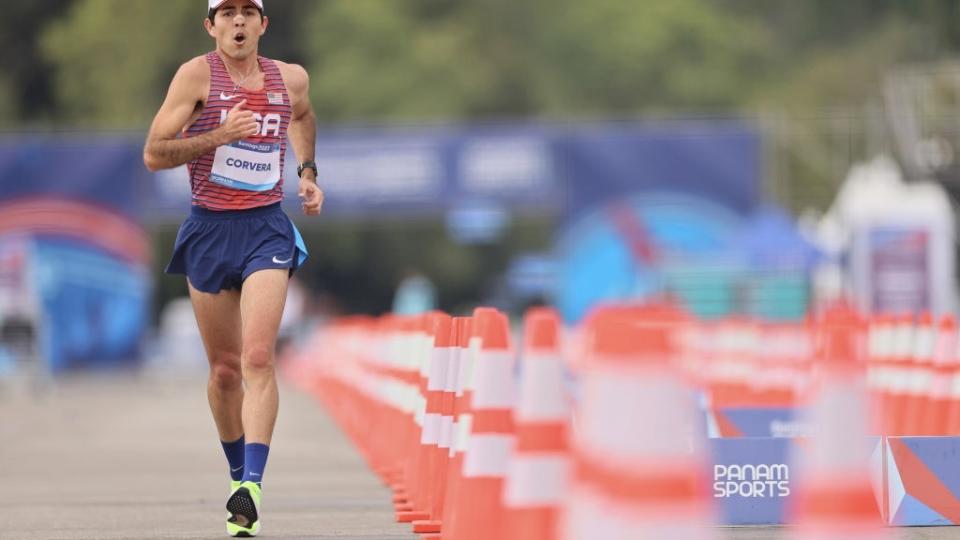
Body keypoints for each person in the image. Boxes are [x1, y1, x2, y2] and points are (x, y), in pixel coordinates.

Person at [142, 0, 322, 536]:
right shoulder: (196, 76)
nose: (238, 22)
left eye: (248, 12)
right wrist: (219, 134)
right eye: (227, 13)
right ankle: (237, 472)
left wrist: (308, 172)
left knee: (259, 357)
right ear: (211, 25)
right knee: (224, 371)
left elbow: (304, 117)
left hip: (265, 227)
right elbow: (154, 153)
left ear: (263, 24)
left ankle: (251, 489)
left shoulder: (289, 79)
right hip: (208, 230)